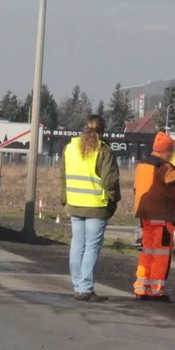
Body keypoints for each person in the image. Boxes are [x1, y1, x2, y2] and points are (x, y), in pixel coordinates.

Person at [61, 115, 121, 301]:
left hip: (75, 203)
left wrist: (65, 200)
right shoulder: (104, 150)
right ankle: (85, 288)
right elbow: (110, 181)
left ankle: (78, 284)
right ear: (102, 130)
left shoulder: (70, 148)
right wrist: (113, 201)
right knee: (91, 247)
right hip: (96, 205)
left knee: (77, 245)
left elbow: (63, 177)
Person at [133, 132, 175, 299]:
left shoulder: (142, 165)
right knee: (160, 254)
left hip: (145, 216)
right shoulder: (163, 166)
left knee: (147, 252)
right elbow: (170, 179)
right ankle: (155, 290)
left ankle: (141, 287)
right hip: (161, 216)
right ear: (166, 151)